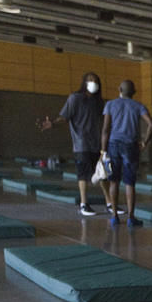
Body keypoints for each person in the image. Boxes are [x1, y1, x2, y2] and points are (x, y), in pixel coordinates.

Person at [38, 72, 113, 217]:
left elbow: (104, 121)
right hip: (81, 143)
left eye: (96, 81)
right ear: (84, 82)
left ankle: (109, 204)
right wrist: (52, 123)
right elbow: (65, 117)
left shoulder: (99, 102)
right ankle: (84, 204)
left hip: (96, 143)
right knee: (83, 174)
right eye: (90, 80)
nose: (93, 83)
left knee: (103, 173)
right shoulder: (75, 98)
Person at [101, 79, 152, 227]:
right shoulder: (138, 106)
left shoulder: (110, 105)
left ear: (119, 89)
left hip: (113, 145)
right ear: (134, 92)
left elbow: (105, 130)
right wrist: (145, 141)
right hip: (130, 146)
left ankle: (114, 216)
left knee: (114, 181)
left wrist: (102, 150)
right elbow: (151, 124)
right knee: (130, 183)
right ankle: (131, 217)